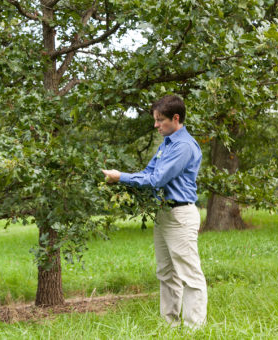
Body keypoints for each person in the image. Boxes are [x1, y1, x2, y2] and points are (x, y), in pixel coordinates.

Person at [101, 95, 207, 328]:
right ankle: (170, 325)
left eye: (160, 120)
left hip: (180, 215)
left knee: (189, 275)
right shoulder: (166, 144)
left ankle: (194, 329)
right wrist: (122, 181)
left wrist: (121, 177)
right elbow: (148, 172)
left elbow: (157, 179)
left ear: (176, 118)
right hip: (164, 214)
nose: (156, 125)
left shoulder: (183, 146)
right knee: (166, 273)